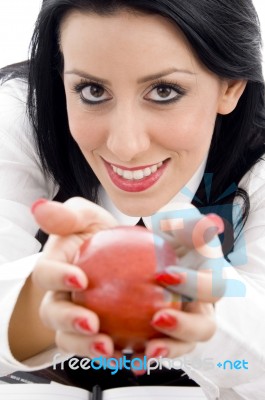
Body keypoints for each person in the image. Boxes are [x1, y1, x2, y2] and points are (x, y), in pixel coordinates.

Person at [0, 0, 265, 398]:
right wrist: (38, 303)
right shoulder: (20, 113)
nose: (125, 146)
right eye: (91, 90)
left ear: (230, 86)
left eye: (164, 91)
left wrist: (208, 306)